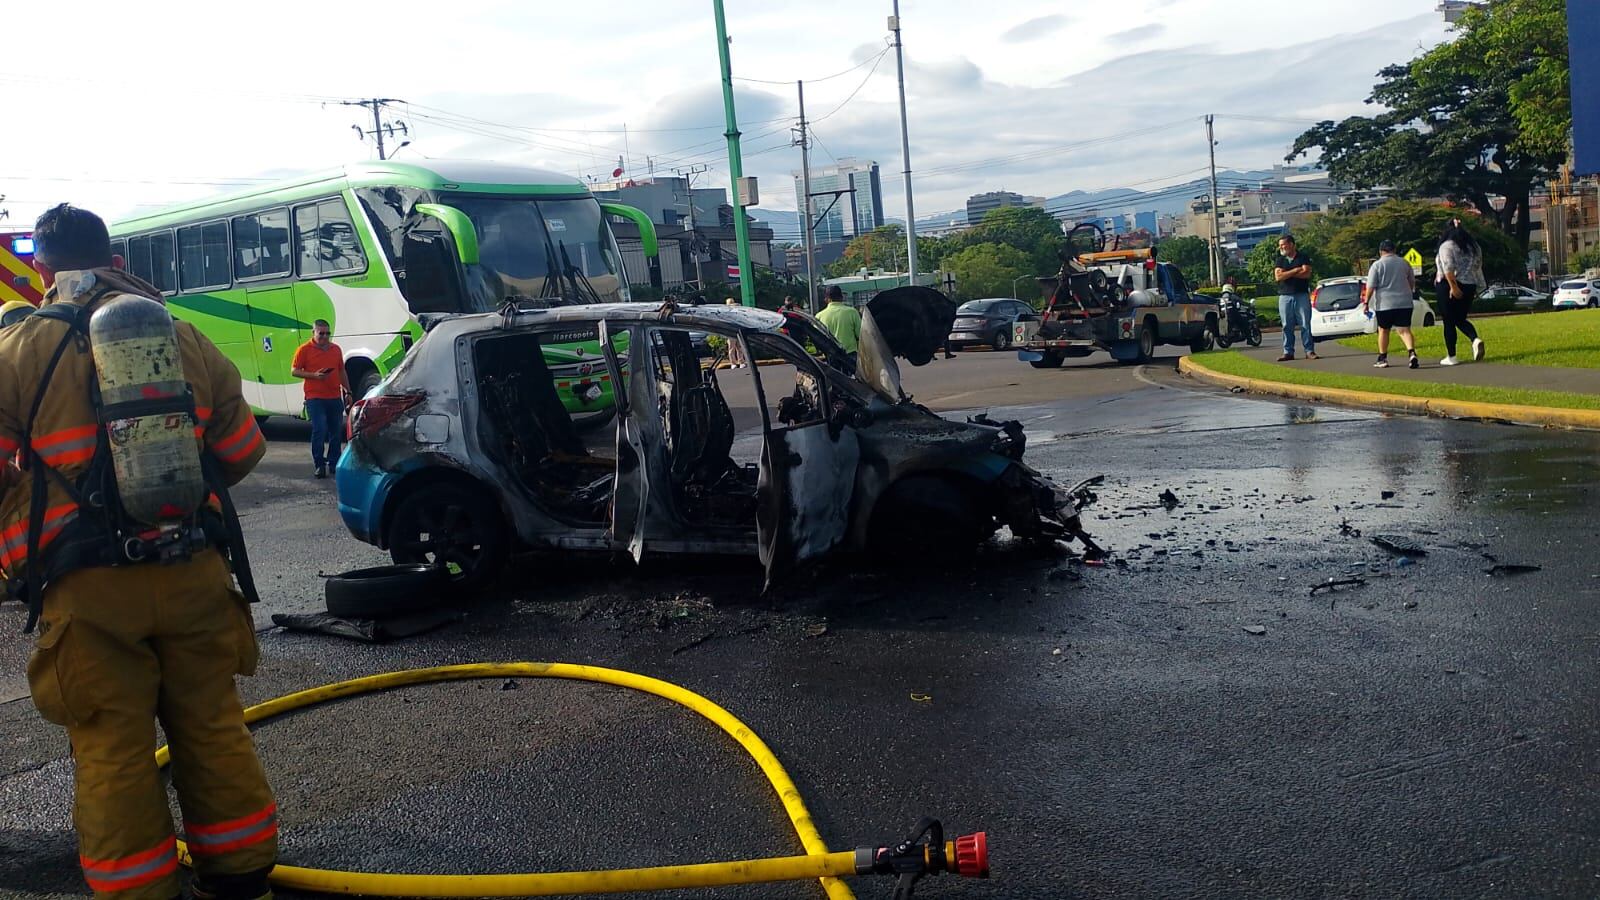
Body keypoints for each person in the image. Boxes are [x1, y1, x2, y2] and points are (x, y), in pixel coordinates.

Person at [0, 205, 275, 900]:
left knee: (111, 747)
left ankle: (139, 889)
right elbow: (242, 452)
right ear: (115, 259)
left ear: (43, 269)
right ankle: (243, 877)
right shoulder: (181, 334)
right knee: (211, 725)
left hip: (86, 588)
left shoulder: (18, 350)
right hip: (193, 567)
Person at [291, 319, 351, 478]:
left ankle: (334, 463)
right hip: (314, 397)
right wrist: (314, 376)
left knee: (336, 432)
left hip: (334, 396)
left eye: (327, 333)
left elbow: (341, 371)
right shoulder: (304, 350)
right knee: (320, 429)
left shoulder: (335, 349)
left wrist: (348, 392)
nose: (324, 337)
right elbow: (294, 371)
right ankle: (319, 464)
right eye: (321, 334)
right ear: (313, 333)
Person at [1435, 221, 1486, 366]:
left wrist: (1454, 287)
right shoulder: (1474, 247)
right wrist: (1479, 287)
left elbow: (1448, 268)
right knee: (1460, 318)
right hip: (1470, 284)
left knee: (1448, 321)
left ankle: (1451, 356)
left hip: (1449, 285)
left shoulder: (1446, 246)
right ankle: (1475, 339)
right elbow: (1478, 267)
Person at [1363, 240, 1419, 369]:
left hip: (1384, 303)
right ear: (1394, 250)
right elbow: (1411, 281)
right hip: (1404, 302)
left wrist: (1366, 302)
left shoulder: (1377, 265)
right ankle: (1411, 352)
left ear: (1381, 251)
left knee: (1383, 330)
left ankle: (1383, 358)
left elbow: (1370, 286)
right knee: (1404, 330)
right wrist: (1409, 292)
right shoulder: (1404, 263)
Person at [1273, 235, 1317, 361]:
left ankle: (1309, 351)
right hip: (1284, 296)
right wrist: (1296, 270)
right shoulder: (1280, 260)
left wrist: (1286, 273)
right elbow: (1278, 277)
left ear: (1292, 244)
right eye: (1280, 245)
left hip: (1301, 294)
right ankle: (1288, 352)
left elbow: (1306, 273)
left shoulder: (1303, 257)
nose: (1281, 247)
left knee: (1305, 324)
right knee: (1286, 325)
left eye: (1284, 245)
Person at [815, 285, 862, 354]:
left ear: (826, 299)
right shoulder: (852, 312)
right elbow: (861, 335)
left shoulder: (819, 316)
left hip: (830, 356)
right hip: (850, 355)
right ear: (842, 297)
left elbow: (817, 340)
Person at [723, 298, 748, 368]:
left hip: (731, 331)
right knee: (738, 348)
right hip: (736, 331)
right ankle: (740, 362)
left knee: (733, 348)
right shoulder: (737, 310)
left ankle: (734, 363)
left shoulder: (727, 312)